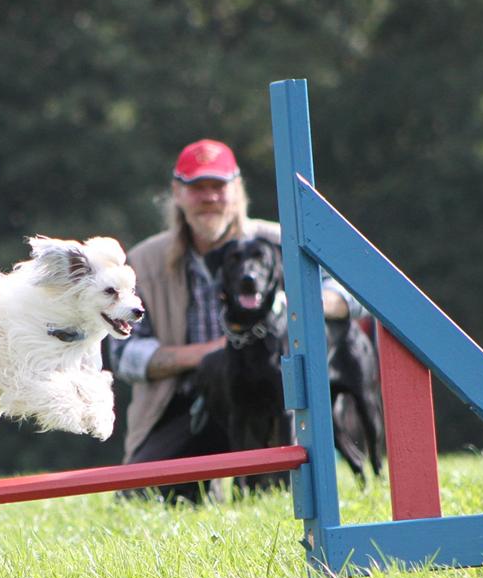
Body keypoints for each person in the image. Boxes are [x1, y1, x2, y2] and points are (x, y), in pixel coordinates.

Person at [108, 139, 364, 503]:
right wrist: (215, 353)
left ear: (237, 190)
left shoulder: (280, 242)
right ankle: (206, 483)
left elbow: (352, 297)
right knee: (135, 496)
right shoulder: (143, 260)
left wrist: (300, 305)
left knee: (275, 487)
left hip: (276, 397)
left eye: (218, 186)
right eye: (197, 188)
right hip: (183, 404)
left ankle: (268, 479)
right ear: (177, 193)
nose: (209, 197)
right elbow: (124, 355)